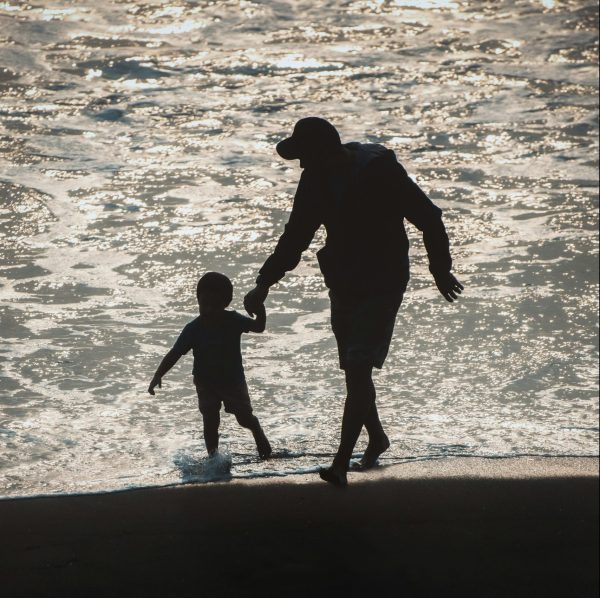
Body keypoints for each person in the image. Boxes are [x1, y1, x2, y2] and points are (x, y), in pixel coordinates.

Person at [244, 117, 463, 486]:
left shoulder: (379, 170)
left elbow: (430, 218)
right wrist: (264, 283)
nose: (300, 165)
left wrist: (440, 270)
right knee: (353, 369)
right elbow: (296, 236)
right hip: (344, 280)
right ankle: (376, 438)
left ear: (325, 151)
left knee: (359, 367)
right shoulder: (314, 179)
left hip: (383, 281)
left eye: (305, 156)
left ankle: (341, 464)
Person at [148, 272, 272, 459]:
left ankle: (256, 430)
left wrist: (260, 310)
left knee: (244, 418)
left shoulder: (234, 320)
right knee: (210, 422)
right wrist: (158, 374)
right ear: (198, 300)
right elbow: (175, 353)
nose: (207, 309)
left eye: (214, 305)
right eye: (203, 304)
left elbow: (259, 327)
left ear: (225, 303)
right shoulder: (193, 329)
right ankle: (213, 459)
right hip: (205, 383)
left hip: (233, 382)